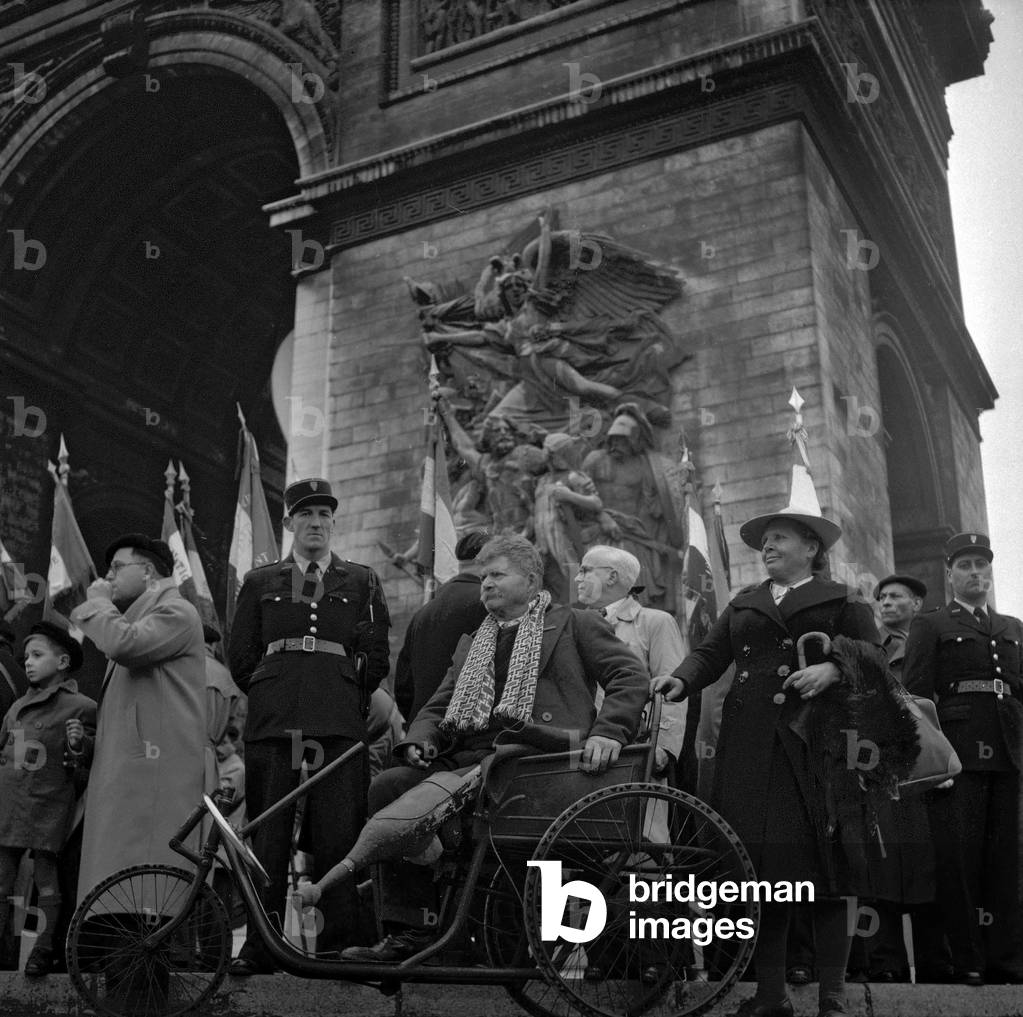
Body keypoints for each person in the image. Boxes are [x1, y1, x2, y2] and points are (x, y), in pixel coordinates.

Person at [299, 534, 649, 963]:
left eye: (498, 575)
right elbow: (437, 705)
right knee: (389, 787)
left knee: (447, 795)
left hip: (532, 762)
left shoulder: (575, 624)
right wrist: (419, 742)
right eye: (483, 576)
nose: (485, 584)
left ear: (532, 579)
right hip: (465, 761)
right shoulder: (472, 641)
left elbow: (630, 677)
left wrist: (608, 732)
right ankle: (410, 930)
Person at [655, 505, 882, 1017]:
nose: (768, 547)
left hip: (821, 748)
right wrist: (682, 680)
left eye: (780, 538)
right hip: (752, 752)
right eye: (765, 541)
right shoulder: (744, 604)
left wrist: (832, 670)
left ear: (811, 550)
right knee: (762, 873)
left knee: (829, 870)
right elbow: (709, 654)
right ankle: (771, 995)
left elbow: (876, 657)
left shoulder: (843, 598)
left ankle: (833, 998)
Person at [228, 478, 390, 974]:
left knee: (339, 834)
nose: (316, 523)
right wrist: (271, 686)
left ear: (333, 523)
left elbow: (377, 654)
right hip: (275, 720)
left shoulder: (361, 580)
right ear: (289, 523)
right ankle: (262, 946)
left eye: (324, 515)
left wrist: (346, 692)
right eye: (306, 515)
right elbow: (240, 656)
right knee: (268, 835)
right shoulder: (260, 582)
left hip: (338, 720)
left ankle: (341, 945)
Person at [902, 533, 1023, 985]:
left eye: (983, 566)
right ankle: (967, 959)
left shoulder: (1012, 627)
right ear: (949, 574)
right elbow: (914, 696)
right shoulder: (931, 624)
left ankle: (1007, 961)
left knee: (1007, 860)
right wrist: (931, 760)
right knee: (960, 861)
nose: (977, 574)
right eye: (967, 566)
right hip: (959, 756)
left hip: (1009, 753)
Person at [70, 535, 207, 903]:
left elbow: (123, 645)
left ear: (147, 571)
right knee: (121, 887)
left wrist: (97, 603)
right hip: (136, 775)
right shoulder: (141, 617)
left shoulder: (175, 612)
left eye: (116, 568)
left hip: (151, 777)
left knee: (141, 890)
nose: (107, 577)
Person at [845, 575, 938, 983]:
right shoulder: (872, 651)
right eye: (881, 597)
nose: (886, 603)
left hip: (926, 769)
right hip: (880, 764)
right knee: (880, 864)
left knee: (927, 865)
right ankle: (886, 964)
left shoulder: (931, 640)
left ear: (917, 603)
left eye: (896, 596)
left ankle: (938, 960)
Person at [0, 622, 95, 976]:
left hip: (48, 802)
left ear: (63, 661)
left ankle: (43, 950)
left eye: (38, 656)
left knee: (46, 880)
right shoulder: (16, 707)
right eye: (26, 657)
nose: (28, 663)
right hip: (9, 801)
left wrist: (78, 743)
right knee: (1, 880)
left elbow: (89, 758)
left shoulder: (81, 707)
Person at [574, 545, 687, 780]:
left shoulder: (655, 622)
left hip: (634, 753)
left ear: (612, 576)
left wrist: (662, 748)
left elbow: (670, 691)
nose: (578, 578)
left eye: (585, 571)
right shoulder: (572, 625)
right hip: (579, 753)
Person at [393, 530, 488, 725]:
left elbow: (403, 687)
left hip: (422, 739)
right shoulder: (489, 604)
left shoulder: (421, 614)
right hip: (467, 736)